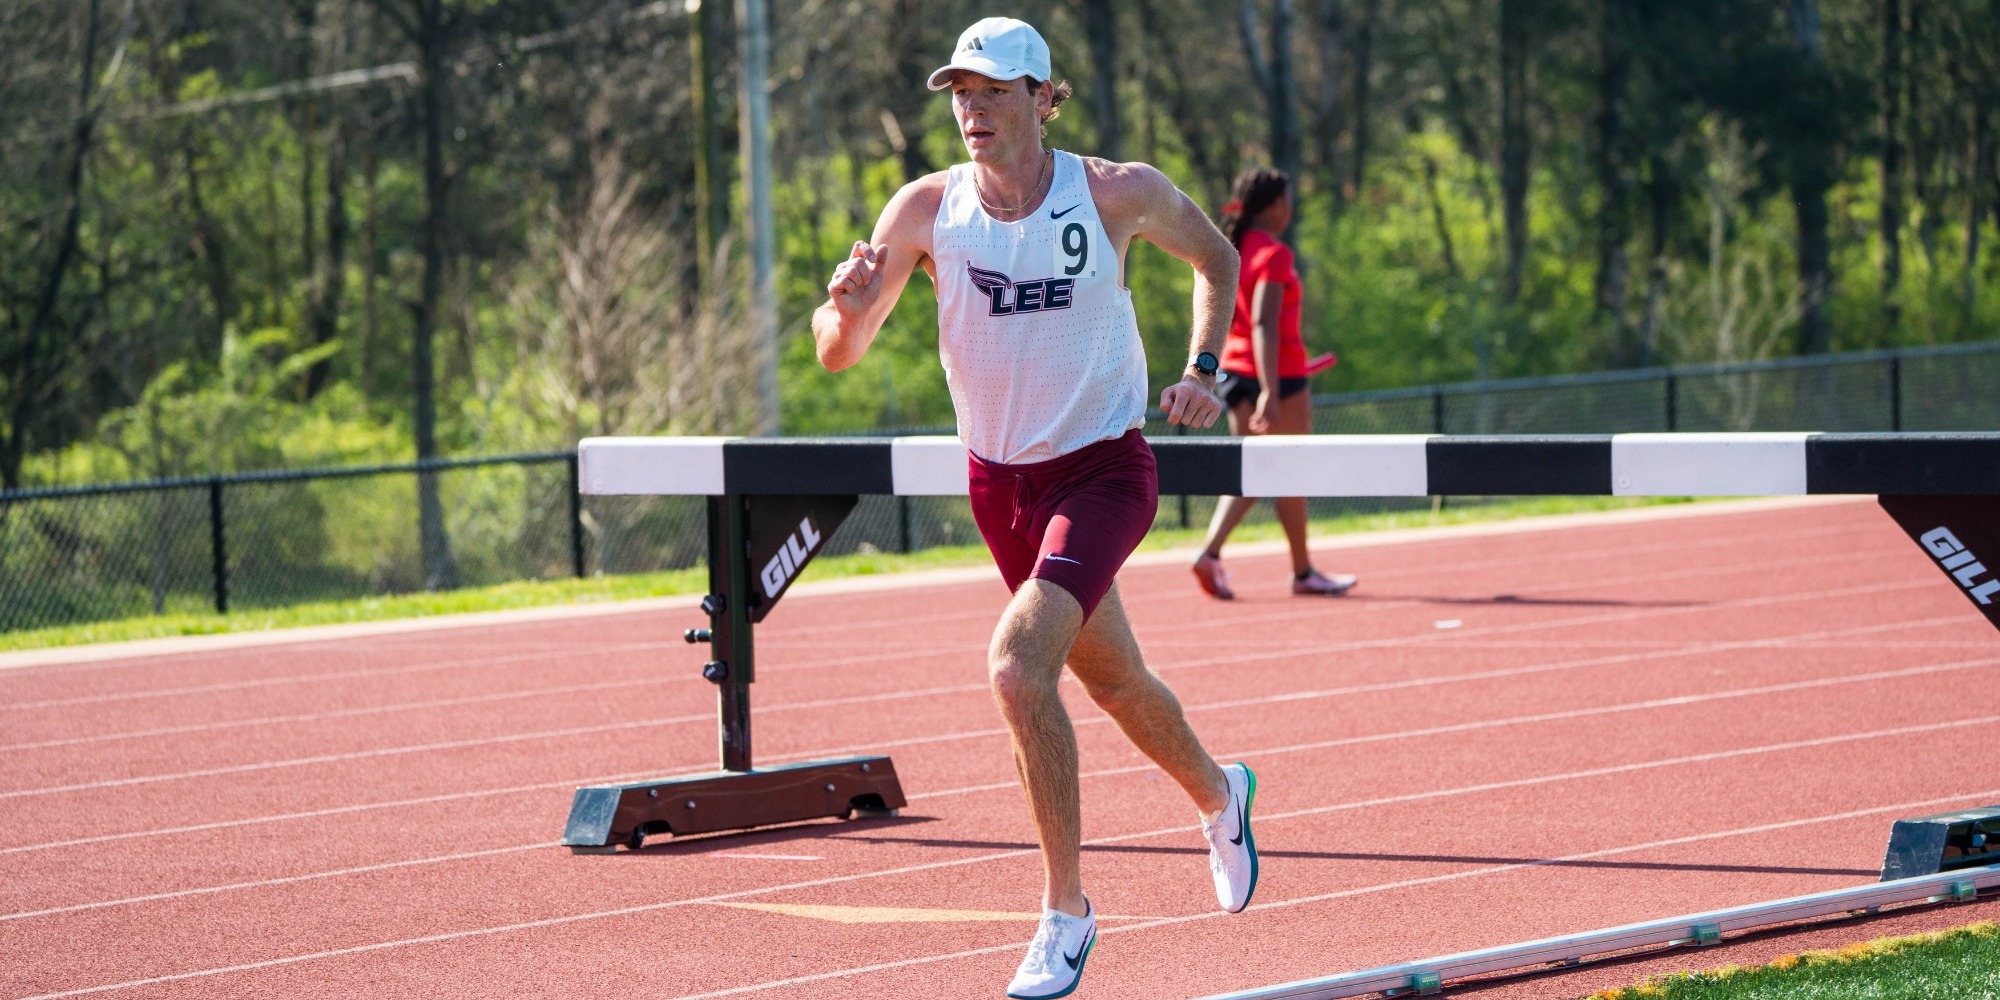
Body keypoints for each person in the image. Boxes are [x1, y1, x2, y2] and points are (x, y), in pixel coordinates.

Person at [811, 17, 1259, 999]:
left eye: (993, 92)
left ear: (1043, 99)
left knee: (1017, 671)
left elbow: (1218, 260)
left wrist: (1203, 373)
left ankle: (1065, 915)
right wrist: (840, 305)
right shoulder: (924, 209)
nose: (970, 111)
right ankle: (1221, 795)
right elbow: (835, 352)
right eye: (959, 95)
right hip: (997, 487)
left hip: (1101, 470)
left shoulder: (1113, 191)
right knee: (1116, 684)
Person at [1189, 168, 1359, 601]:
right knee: (1282, 471)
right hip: (1277, 376)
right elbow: (1265, 323)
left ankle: (1279, 565)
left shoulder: (1231, 247)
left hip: (1233, 372)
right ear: (1277, 206)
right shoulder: (1275, 254)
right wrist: (1270, 388)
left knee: (1261, 471)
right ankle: (1289, 569)